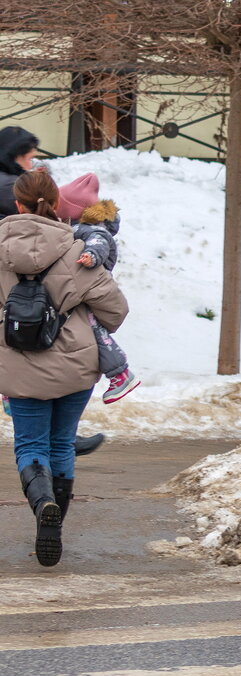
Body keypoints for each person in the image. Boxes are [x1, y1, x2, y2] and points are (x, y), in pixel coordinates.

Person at [0, 170, 128, 566]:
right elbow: (116, 310)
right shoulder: (78, 252)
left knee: (31, 445)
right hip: (75, 366)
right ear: (56, 204)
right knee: (61, 444)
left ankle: (43, 505)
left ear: (17, 204)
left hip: (18, 369)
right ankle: (52, 528)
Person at [0, 130, 106, 457]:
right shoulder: (10, 185)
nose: (32, 160)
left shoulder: (14, 182)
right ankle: (60, 439)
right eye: (28, 155)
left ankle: (55, 438)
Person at [58, 174, 140, 403]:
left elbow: (99, 243)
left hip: (91, 283)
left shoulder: (91, 229)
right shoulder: (78, 227)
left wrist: (90, 256)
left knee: (95, 330)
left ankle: (120, 373)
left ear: (74, 210)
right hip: (84, 283)